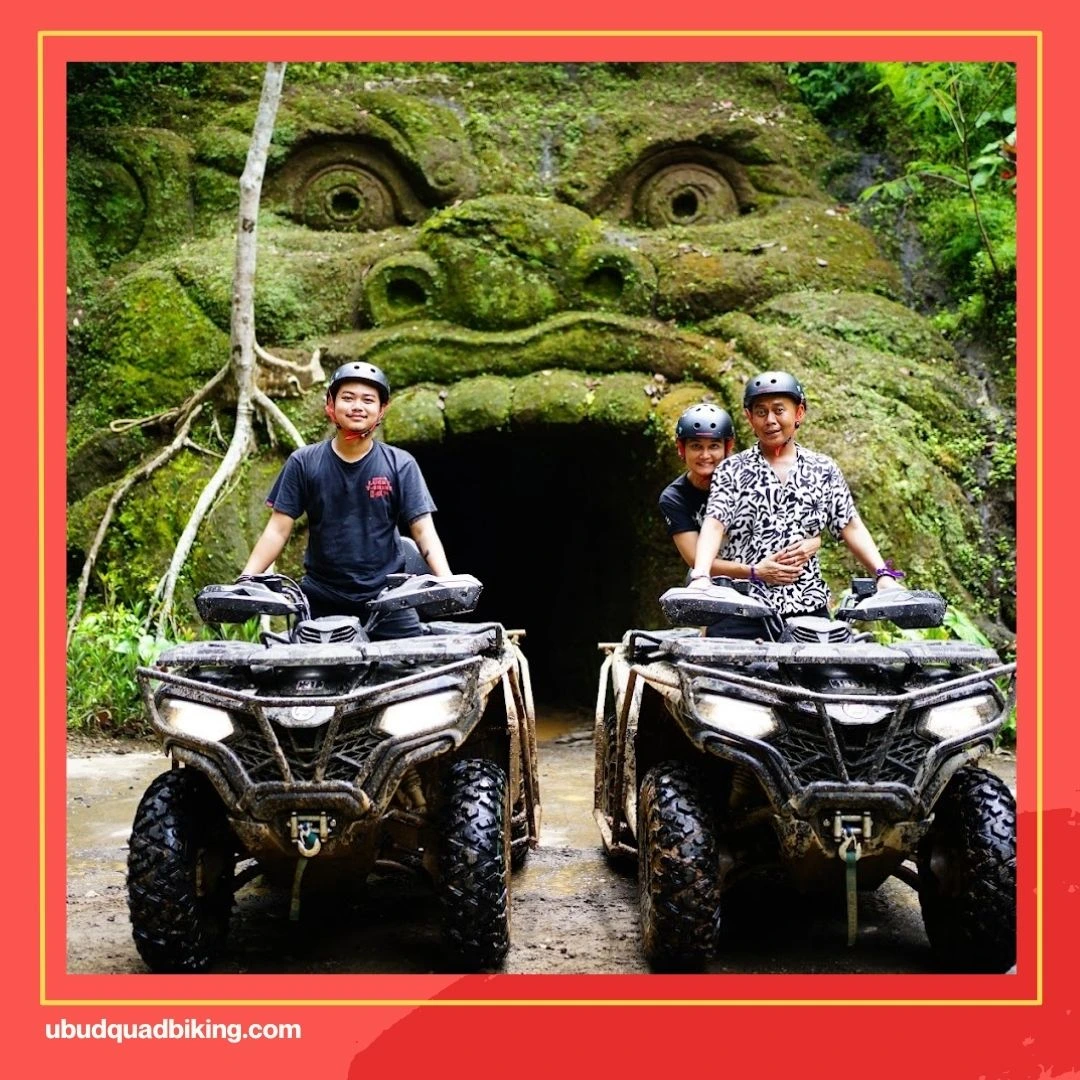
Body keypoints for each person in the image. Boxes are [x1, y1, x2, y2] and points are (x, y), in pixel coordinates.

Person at [240, 360, 452, 639]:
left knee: (421, 672)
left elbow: (423, 531)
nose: (357, 406)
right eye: (348, 398)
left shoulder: (401, 464)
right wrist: (245, 582)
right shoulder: (304, 463)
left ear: (382, 409)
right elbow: (278, 530)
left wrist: (447, 582)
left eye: (368, 400)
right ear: (331, 403)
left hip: (388, 600)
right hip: (321, 599)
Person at [687, 370, 901, 633]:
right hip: (740, 607)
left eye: (780, 410)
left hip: (808, 611)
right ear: (749, 418)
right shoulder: (731, 470)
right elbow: (714, 523)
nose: (771, 420)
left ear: (799, 413)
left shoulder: (823, 468)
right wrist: (701, 576)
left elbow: (850, 525)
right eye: (761, 412)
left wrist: (883, 574)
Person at [659, 402, 821, 585]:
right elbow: (696, 560)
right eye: (696, 446)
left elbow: (805, 528)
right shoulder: (675, 497)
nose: (705, 455)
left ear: (727, 449)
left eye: (713, 446)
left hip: (767, 560)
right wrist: (755, 572)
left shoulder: (752, 475)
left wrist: (811, 544)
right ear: (682, 449)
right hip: (721, 574)